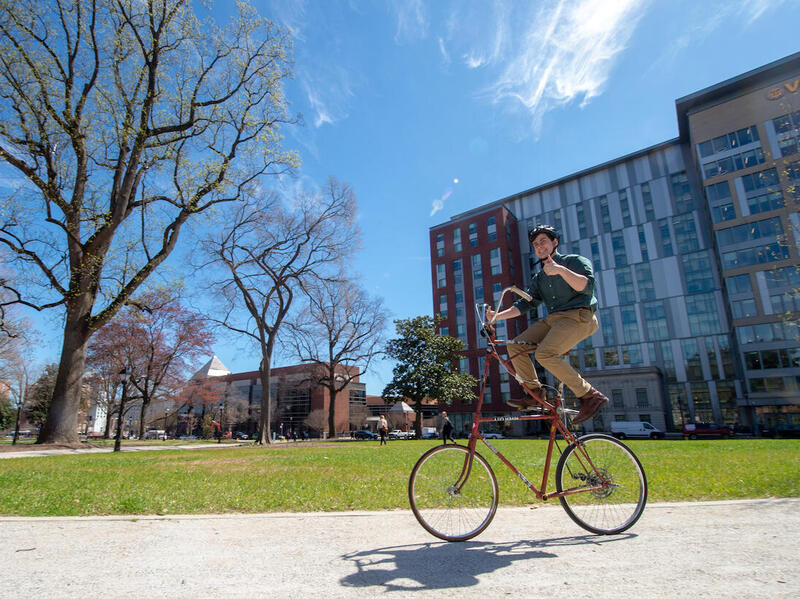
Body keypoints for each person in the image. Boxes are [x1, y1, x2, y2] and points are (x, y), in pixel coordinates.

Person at [487, 224, 608, 425]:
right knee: (515, 344)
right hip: (554, 320)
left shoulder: (573, 261)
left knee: (545, 354)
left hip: (578, 315)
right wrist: (497, 316)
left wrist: (560, 270)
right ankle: (535, 392)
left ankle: (590, 395)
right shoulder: (540, 277)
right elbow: (525, 303)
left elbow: (586, 287)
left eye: (543, 241)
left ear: (555, 242)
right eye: (535, 244)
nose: (539, 246)